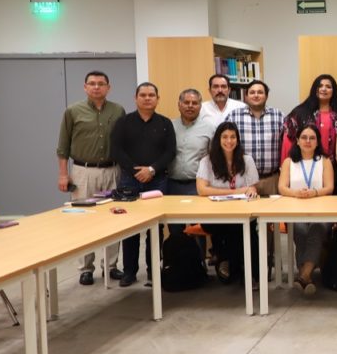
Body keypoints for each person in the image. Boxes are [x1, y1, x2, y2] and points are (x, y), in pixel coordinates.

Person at [57, 70, 126, 286]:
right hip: (83, 171)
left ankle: (111, 266)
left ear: (108, 87)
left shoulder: (118, 110)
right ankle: (85, 268)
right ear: (85, 87)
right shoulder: (72, 111)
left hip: (112, 170)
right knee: (83, 220)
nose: (97, 87)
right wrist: (63, 174)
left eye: (101, 83)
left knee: (114, 218)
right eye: (92, 83)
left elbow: (124, 142)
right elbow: (63, 146)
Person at [110, 82, 176, 287]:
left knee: (155, 228)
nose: (147, 98)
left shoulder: (165, 123)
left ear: (158, 99)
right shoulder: (123, 122)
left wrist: (152, 170)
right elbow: (116, 150)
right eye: (143, 95)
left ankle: (153, 270)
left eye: (151, 95)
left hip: (158, 180)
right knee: (129, 227)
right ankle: (129, 271)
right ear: (135, 98)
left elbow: (170, 152)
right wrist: (136, 171)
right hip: (129, 180)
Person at [197, 121, 260, 284]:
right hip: (214, 215)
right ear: (218, 139)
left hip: (241, 212)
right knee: (232, 228)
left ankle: (248, 272)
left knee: (248, 228)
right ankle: (233, 265)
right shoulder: (207, 161)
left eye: (233, 137)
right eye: (224, 137)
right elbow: (202, 189)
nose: (229, 141)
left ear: (238, 140)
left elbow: (252, 187)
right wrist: (235, 192)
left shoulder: (247, 160)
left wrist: (251, 190)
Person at [277, 123, 334, 295]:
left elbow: (329, 187)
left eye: (312, 138)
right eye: (304, 137)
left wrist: (314, 192)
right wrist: (296, 193)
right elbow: (282, 187)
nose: (308, 141)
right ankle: (307, 277)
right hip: (296, 210)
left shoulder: (324, 161)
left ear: (317, 142)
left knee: (317, 228)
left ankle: (303, 275)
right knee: (300, 230)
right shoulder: (289, 162)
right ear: (297, 141)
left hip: (321, 211)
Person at [281, 74, 337, 194]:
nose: (324, 89)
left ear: (334, 91)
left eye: (328, 86)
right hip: (304, 169)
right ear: (314, 89)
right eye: (320, 86)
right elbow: (288, 141)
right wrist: (285, 166)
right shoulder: (300, 112)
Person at [167, 89, 215, 240]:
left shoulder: (209, 128)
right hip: (172, 185)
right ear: (179, 104)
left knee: (199, 230)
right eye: (186, 102)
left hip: (198, 186)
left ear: (200, 106)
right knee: (175, 230)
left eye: (194, 103)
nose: (190, 106)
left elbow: (214, 158)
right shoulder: (169, 126)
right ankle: (177, 256)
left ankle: (199, 256)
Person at [226, 80, 285, 196]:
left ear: (266, 96)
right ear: (246, 96)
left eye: (260, 92)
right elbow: (224, 143)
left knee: (273, 208)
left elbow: (287, 145)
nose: (256, 95)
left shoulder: (279, 116)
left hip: (271, 180)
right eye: (252, 92)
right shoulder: (234, 116)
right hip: (243, 179)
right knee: (243, 208)